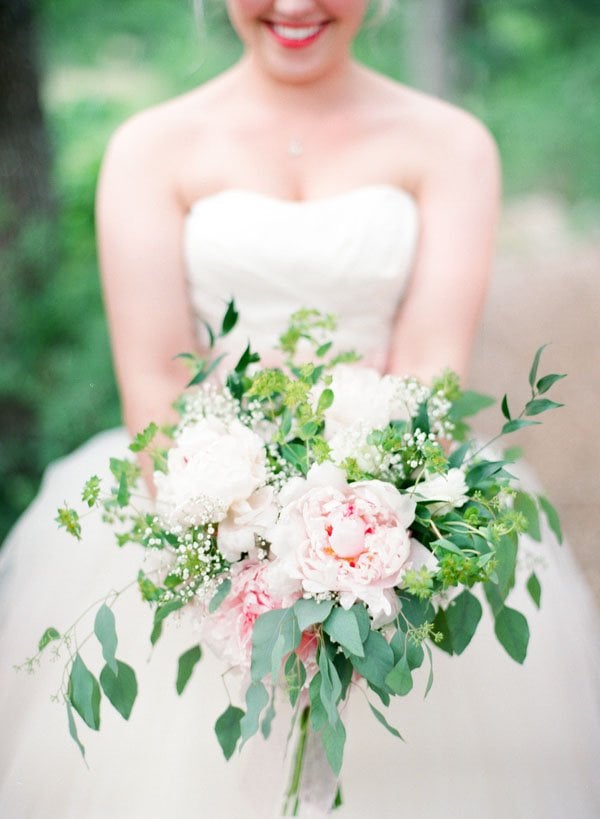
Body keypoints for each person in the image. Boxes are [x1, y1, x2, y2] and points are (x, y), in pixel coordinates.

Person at [1, 1, 599, 817]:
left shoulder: (452, 145)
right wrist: (237, 547)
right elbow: (154, 381)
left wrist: (359, 536)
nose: (292, 6)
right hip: (198, 498)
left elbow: (430, 364)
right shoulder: (149, 149)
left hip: (385, 500)